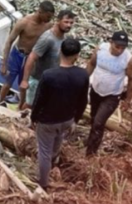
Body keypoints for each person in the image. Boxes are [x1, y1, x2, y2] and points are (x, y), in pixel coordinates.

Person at [30, 37, 89, 190]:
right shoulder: (82, 75)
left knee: (44, 152)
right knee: (57, 143)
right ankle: (53, 162)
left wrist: (33, 117)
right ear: (77, 55)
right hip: (67, 119)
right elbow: (83, 100)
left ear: (60, 52)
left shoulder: (49, 75)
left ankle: (43, 183)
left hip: (48, 121)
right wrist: (75, 119)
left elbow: (39, 100)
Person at [85, 31, 132, 156]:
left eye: (123, 48)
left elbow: (131, 80)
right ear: (111, 42)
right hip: (96, 90)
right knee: (93, 117)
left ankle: (91, 153)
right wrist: (83, 82)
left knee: (99, 122)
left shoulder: (128, 59)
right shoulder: (100, 49)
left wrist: (128, 100)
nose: (119, 50)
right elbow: (91, 64)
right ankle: (92, 140)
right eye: (117, 47)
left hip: (112, 95)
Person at [0, 1, 55, 104]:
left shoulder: (48, 25)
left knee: (24, 85)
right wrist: (4, 63)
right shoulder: (24, 22)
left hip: (31, 58)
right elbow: (9, 42)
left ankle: (20, 107)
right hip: (17, 55)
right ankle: (0, 102)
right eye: (47, 17)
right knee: (7, 83)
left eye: (50, 18)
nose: (49, 20)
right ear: (40, 12)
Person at [20, 9, 76, 109]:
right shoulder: (48, 38)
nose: (69, 25)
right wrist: (25, 80)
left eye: (71, 23)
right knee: (30, 105)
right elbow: (32, 57)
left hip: (51, 81)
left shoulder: (65, 39)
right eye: (66, 22)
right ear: (58, 21)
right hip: (38, 79)